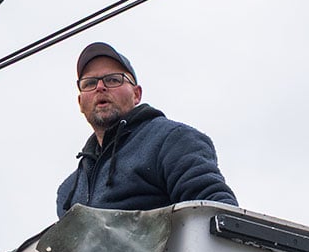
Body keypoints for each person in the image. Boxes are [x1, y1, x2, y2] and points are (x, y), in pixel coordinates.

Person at [55, 42, 236, 217]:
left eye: (113, 80)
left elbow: (217, 213)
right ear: (80, 102)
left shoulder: (171, 140)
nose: (100, 87)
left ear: (136, 94)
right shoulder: (68, 190)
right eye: (89, 83)